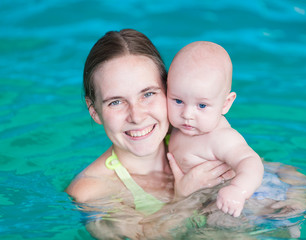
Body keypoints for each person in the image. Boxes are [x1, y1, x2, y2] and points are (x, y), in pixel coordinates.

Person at [65, 29, 235, 239]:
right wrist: (183, 199)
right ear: (94, 111)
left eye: (148, 94)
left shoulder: (194, 135)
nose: (136, 116)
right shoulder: (91, 191)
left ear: (169, 91)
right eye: (116, 102)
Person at [167, 41, 264, 217]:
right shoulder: (174, 125)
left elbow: (251, 162)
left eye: (202, 105)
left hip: (236, 202)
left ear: (226, 104)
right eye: (178, 101)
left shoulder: (221, 137)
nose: (187, 114)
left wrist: (238, 190)